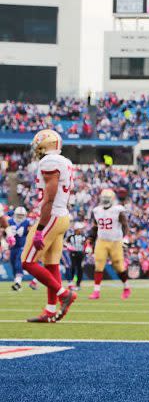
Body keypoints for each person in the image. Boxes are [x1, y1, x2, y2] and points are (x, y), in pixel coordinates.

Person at [21, 129, 77, 323]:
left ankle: (64, 294)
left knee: (27, 262)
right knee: (51, 264)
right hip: (61, 216)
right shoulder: (65, 161)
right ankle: (50, 310)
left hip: (52, 216)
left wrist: (39, 230)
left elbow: (49, 198)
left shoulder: (49, 162)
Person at [89, 188, 131, 300]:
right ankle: (96, 291)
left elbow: (125, 225)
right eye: (104, 198)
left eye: (107, 198)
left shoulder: (118, 210)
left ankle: (126, 287)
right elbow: (94, 227)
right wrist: (90, 240)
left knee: (119, 266)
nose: (106, 200)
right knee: (98, 265)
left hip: (115, 241)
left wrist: (125, 238)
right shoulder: (96, 211)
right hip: (101, 241)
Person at [6, 207, 31, 291]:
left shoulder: (27, 222)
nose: (20, 217)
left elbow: (31, 232)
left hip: (22, 246)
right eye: (18, 215)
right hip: (12, 247)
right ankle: (16, 282)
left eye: (22, 215)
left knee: (18, 263)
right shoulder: (10, 221)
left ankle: (18, 283)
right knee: (13, 264)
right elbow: (4, 230)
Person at [66, 222, 87, 291]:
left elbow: (86, 244)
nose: (80, 230)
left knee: (80, 268)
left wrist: (86, 251)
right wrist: (70, 247)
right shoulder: (71, 236)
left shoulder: (83, 236)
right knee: (73, 267)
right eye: (79, 229)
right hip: (73, 253)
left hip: (81, 253)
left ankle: (78, 284)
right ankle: (71, 283)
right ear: (76, 229)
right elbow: (66, 243)